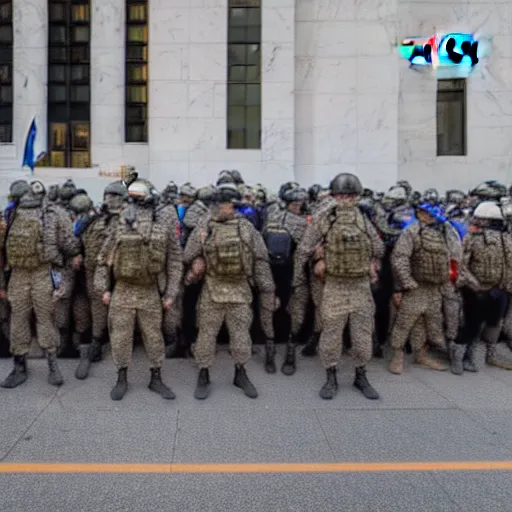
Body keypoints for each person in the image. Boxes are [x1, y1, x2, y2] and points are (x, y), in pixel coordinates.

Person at [293, 173, 384, 400]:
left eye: (350, 195)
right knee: (331, 334)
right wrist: (301, 276)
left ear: (357, 197)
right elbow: (304, 248)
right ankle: (331, 375)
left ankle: (360, 374)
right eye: (341, 195)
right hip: (334, 285)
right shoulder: (325, 219)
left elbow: (379, 247)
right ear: (334, 196)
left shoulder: (363, 219)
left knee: (363, 336)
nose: (346, 200)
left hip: (360, 286)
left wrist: (372, 262)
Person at [183, 183, 276, 400]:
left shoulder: (246, 229)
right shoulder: (204, 227)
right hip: (212, 290)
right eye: (220, 204)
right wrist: (197, 260)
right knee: (206, 335)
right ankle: (204, 373)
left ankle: (240, 372)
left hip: (240, 290)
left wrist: (268, 290)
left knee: (241, 336)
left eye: (226, 205)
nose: (223, 209)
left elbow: (260, 259)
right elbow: (187, 254)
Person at [95, 179, 183, 400]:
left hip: (149, 289)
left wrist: (171, 293)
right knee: (121, 336)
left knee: (153, 336)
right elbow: (104, 259)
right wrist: (103, 289)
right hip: (123, 289)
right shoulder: (119, 224)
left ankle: (156, 377)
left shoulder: (162, 226)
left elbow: (174, 261)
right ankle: (121, 377)